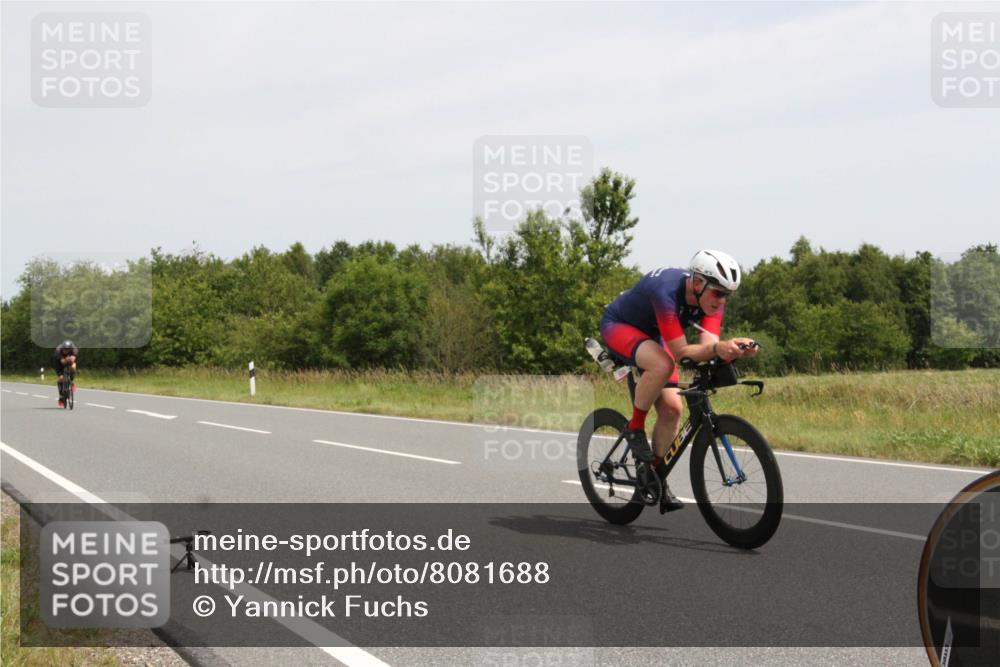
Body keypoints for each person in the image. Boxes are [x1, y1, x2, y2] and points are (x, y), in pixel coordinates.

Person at [600, 250, 758, 512]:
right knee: (662, 364)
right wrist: (719, 349)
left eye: (727, 295)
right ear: (698, 283)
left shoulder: (711, 300)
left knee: (673, 409)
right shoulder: (666, 291)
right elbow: (683, 353)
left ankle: (655, 476)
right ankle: (634, 427)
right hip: (620, 326)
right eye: (718, 293)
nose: (722, 301)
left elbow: (708, 348)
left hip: (655, 333)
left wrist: (732, 350)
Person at [52, 340, 79, 408]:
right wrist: (65, 359)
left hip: (69, 359)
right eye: (64, 349)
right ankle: (61, 396)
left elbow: (73, 359)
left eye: (67, 349)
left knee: (73, 366)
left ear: (70, 349)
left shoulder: (74, 349)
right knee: (61, 378)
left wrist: (70, 360)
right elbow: (62, 362)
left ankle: (71, 381)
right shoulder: (58, 350)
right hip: (59, 363)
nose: (65, 350)